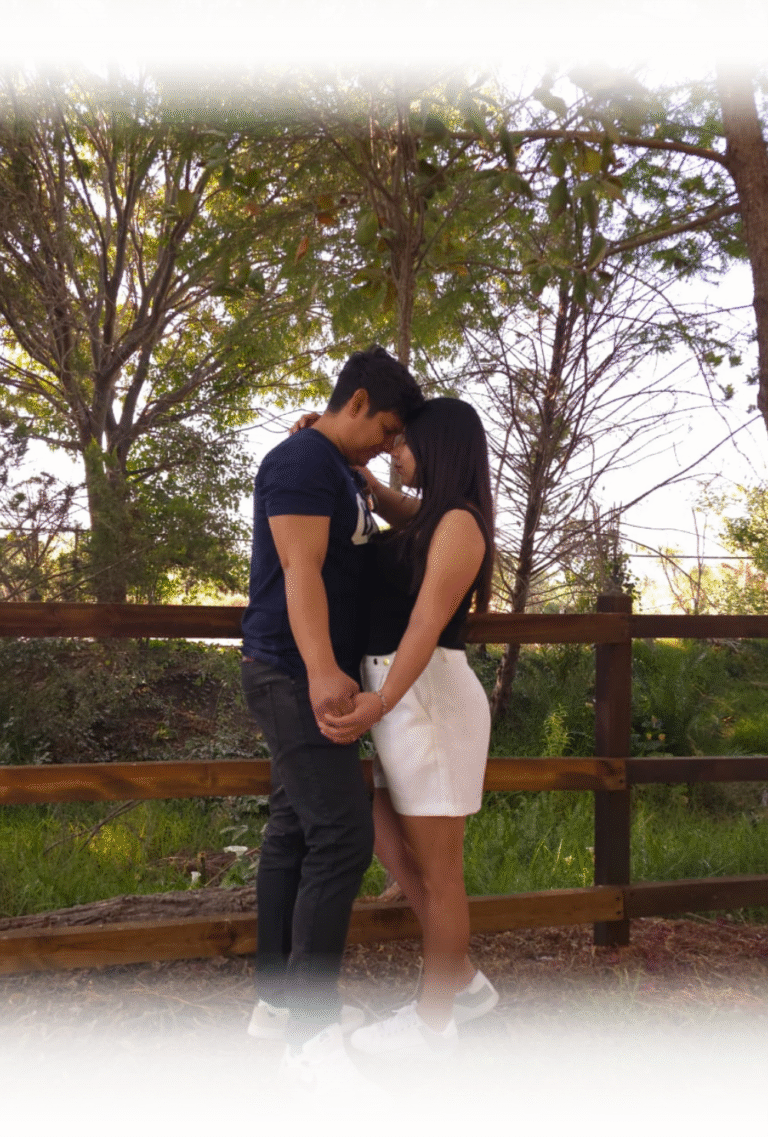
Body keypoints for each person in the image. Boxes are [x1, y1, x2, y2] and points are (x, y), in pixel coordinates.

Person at [240, 346, 424, 1086]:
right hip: (291, 672)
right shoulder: (299, 464)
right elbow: (299, 570)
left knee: (293, 829)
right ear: (357, 402)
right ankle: (310, 1033)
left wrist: (372, 476)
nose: (388, 442)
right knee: (343, 836)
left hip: (302, 671)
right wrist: (322, 671)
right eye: (385, 428)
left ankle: (277, 1006)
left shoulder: (338, 469)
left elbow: (419, 519)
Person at [319, 396, 499, 1057]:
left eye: (403, 441)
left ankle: (433, 1025)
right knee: (386, 835)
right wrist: (353, 467)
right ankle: (466, 984)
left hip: (425, 701)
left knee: (440, 876)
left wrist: (383, 701)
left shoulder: (460, 524)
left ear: (439, 445)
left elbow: (424, 624)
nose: (395, 450)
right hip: (405, 701)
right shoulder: (436, 517)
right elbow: (400, 509)